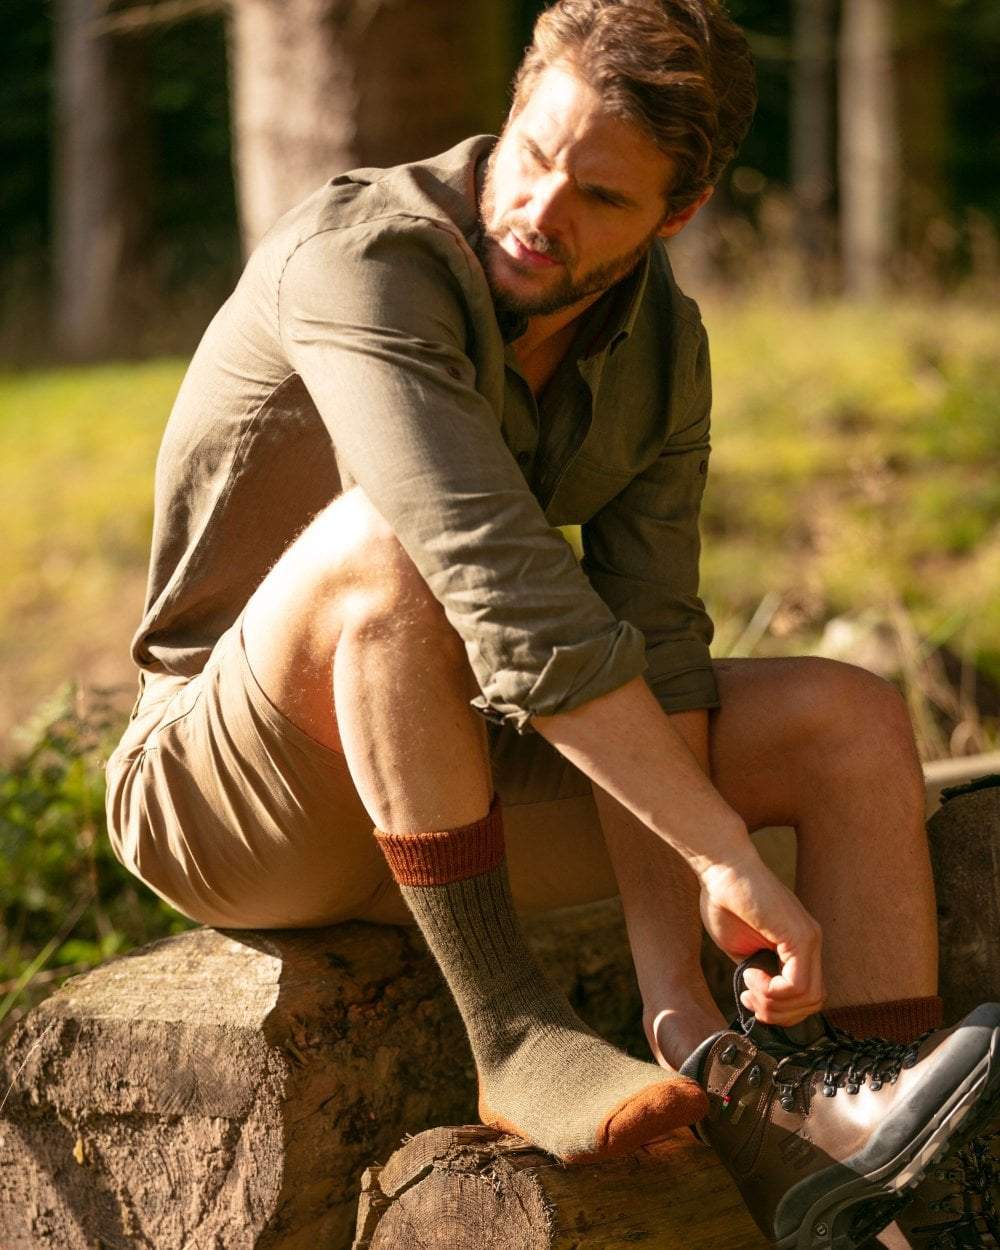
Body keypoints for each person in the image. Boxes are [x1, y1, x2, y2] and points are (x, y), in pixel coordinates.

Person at [105, 0, 1000, 1244]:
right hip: (234, 794)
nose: (538, 208)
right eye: (532, 153)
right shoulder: (361, 258)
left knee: (845, 720)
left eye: (599, 196)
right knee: (391, 546)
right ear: (511, 111)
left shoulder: (660, 346)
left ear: (674, 214)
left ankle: (863, 1156)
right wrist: (721, 853)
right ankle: (511, 1031)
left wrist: (674, 990)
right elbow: (499, 588)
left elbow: (654, 641)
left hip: (452, 767)